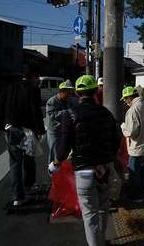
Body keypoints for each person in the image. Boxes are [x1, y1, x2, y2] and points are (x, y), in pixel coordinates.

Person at [49, 75, 120, 246]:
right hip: (104, 169)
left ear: (77, 93)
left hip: (84, 172)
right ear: (95, 91)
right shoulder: (106, 113)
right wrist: (108, 158)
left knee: (90, 215)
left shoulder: (70, 114)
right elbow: (116, 139)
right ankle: (101, 240)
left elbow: (64, 147)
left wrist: (56, 163)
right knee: (103, 208)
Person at [0, 66, 45, 206]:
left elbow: (0, 105)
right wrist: (41, 131)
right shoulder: (33, 90)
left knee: (15, 163)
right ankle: (28, 187)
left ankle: (17, 196)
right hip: (27, 131)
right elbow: (36, 112)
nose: (38, 81)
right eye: (37, 78)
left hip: (10, 129)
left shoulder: (9, 87)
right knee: (29, 159)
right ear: (33, 77)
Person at [120, 86, 144, 202]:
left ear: (129, 98)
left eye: (125, 99)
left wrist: (123, 127)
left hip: (138, 147)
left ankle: (136, 195)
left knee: (133, 171)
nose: (125, 102)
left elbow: (131, 132)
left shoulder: (132, 111)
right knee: (142, 164)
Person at [45, 80, 75, 164]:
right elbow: (52, 115)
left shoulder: (69, 100)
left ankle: (61, 171)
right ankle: (52, 170)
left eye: (70, 92)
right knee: (54, 152)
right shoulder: (52, 101)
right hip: (54, 131)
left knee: (64, 152)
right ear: (61, 91)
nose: (69, 94)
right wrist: (67, 112)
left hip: (64, 130)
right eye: (67, 92)